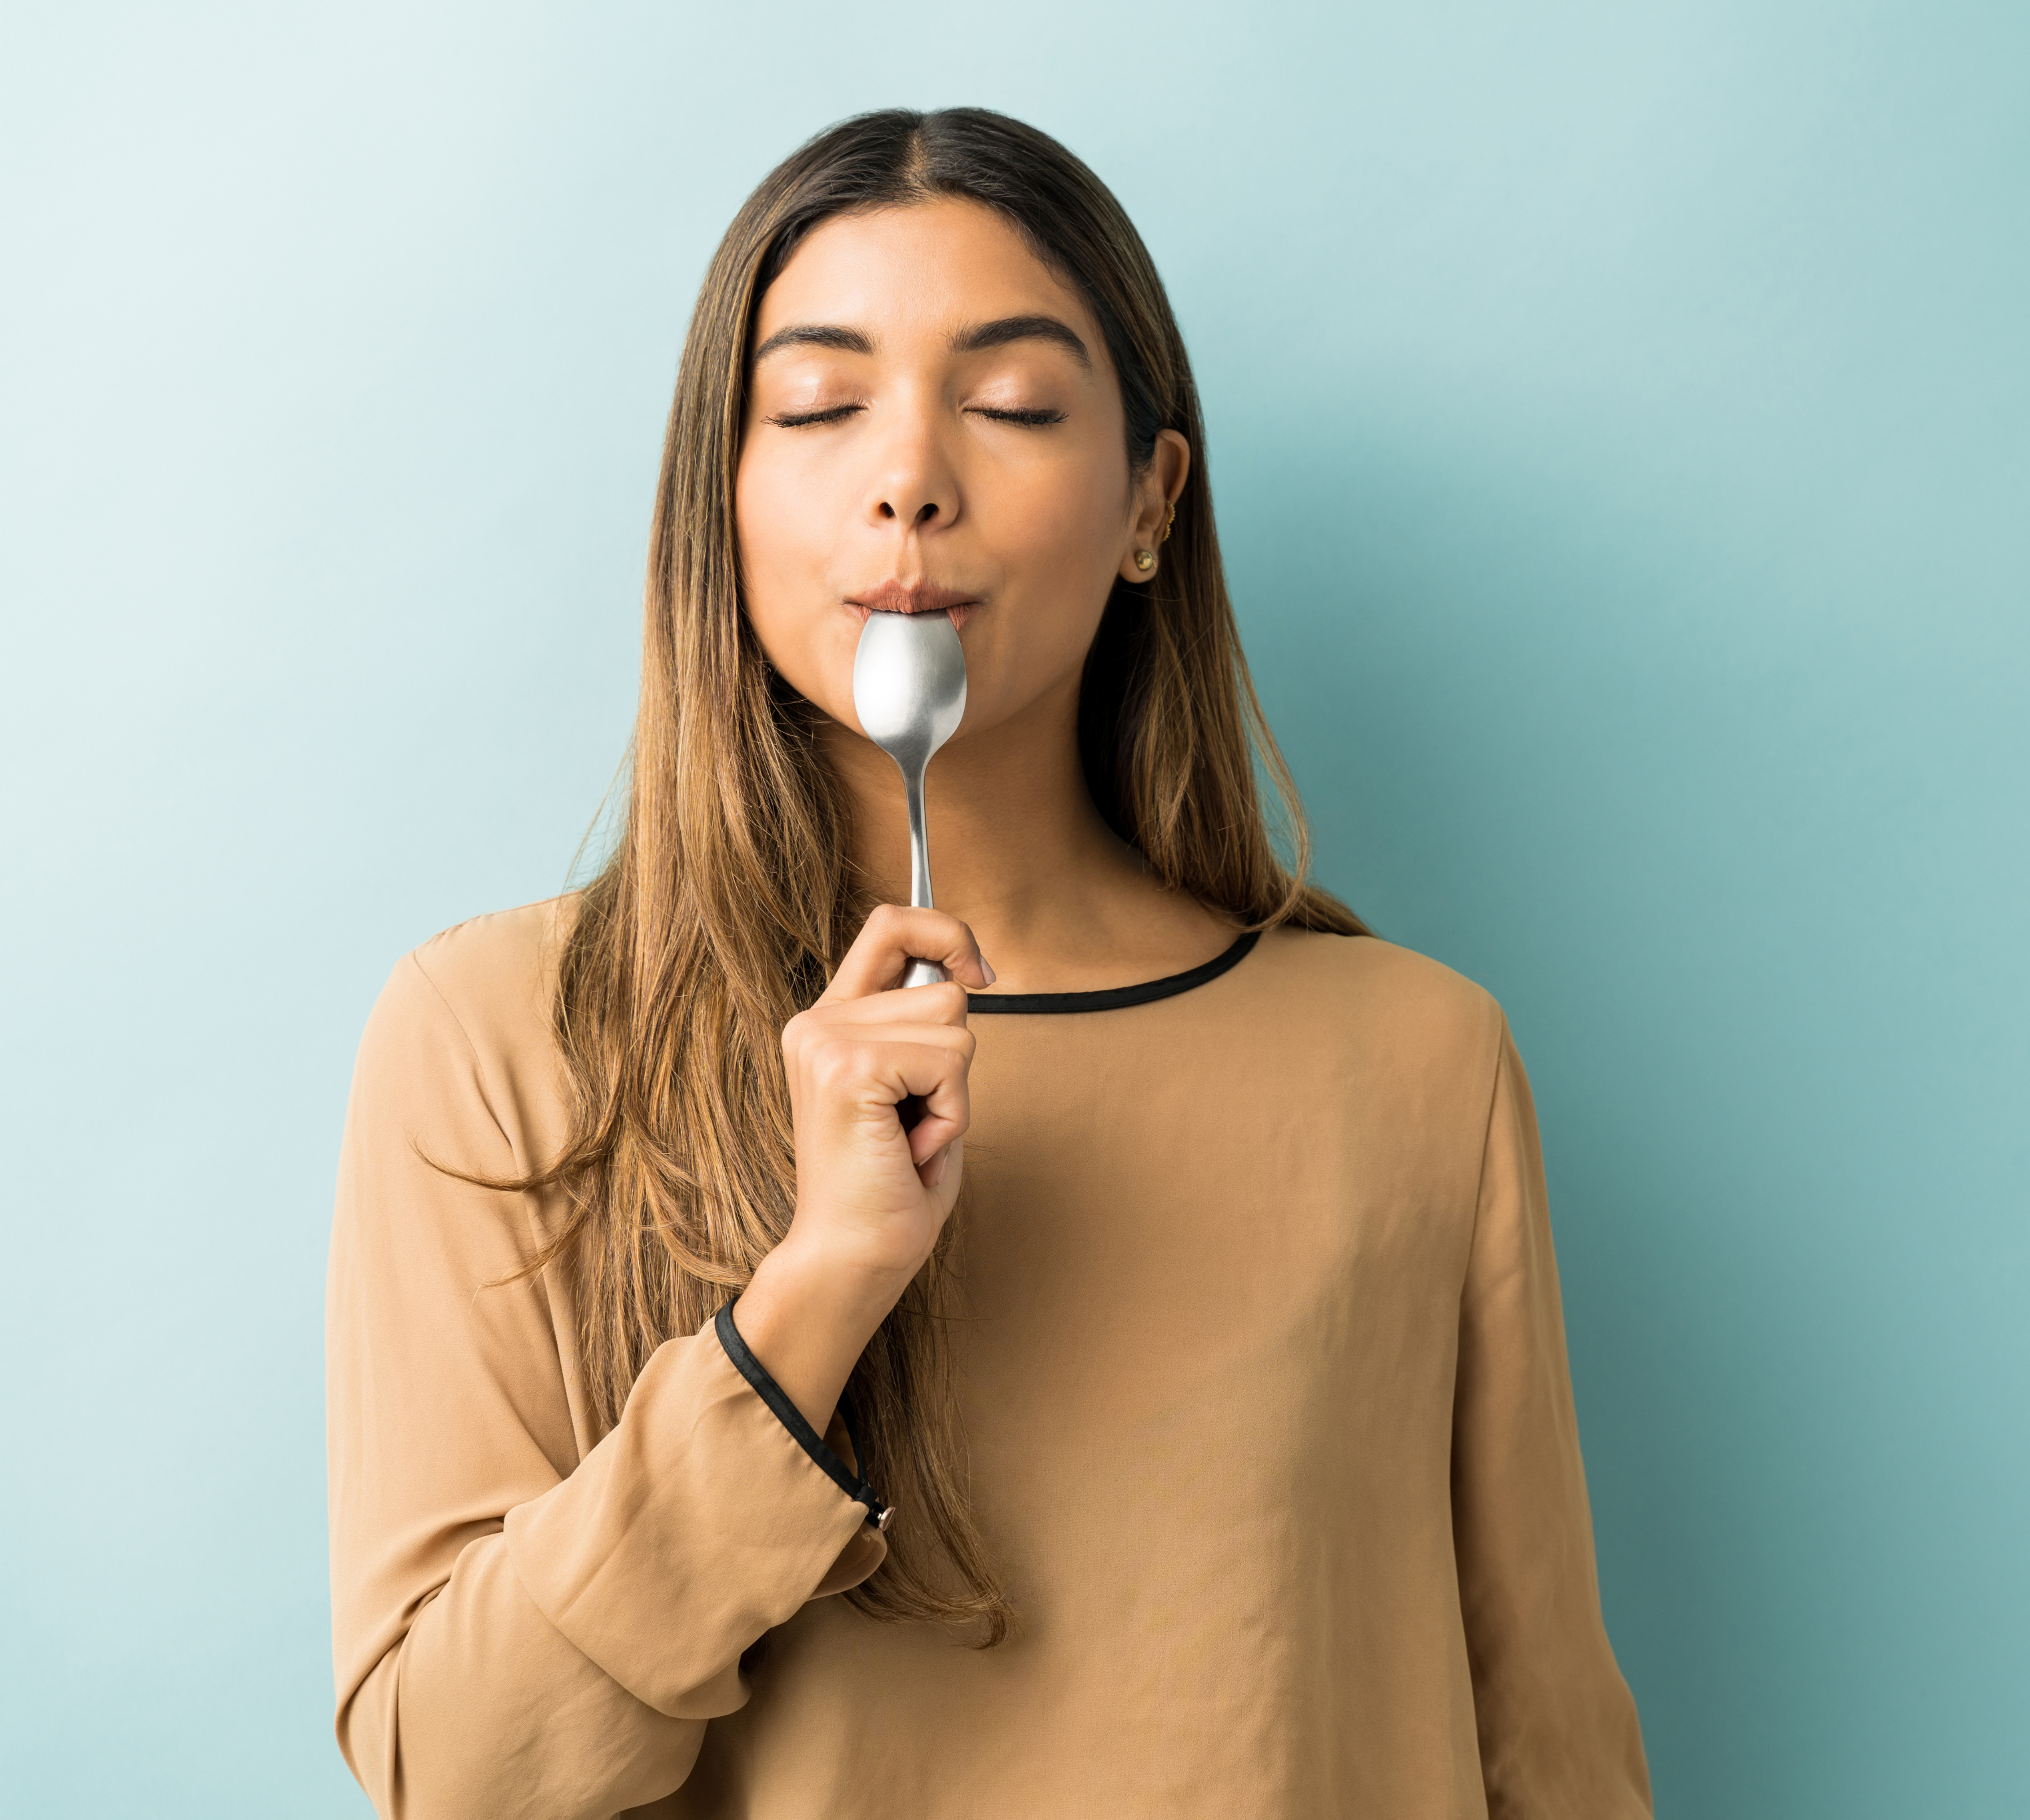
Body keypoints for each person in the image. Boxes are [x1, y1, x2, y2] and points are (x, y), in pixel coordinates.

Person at [326, 106, 1650, 1818]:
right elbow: (460, 1775)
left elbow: (1548, 1753)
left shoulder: (1417, 1063)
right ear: (716, 504)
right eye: (815, 406)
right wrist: (812, 1297)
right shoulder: (501, 1038)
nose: (910, 477)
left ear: (1150, 501)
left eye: (1012, 404)